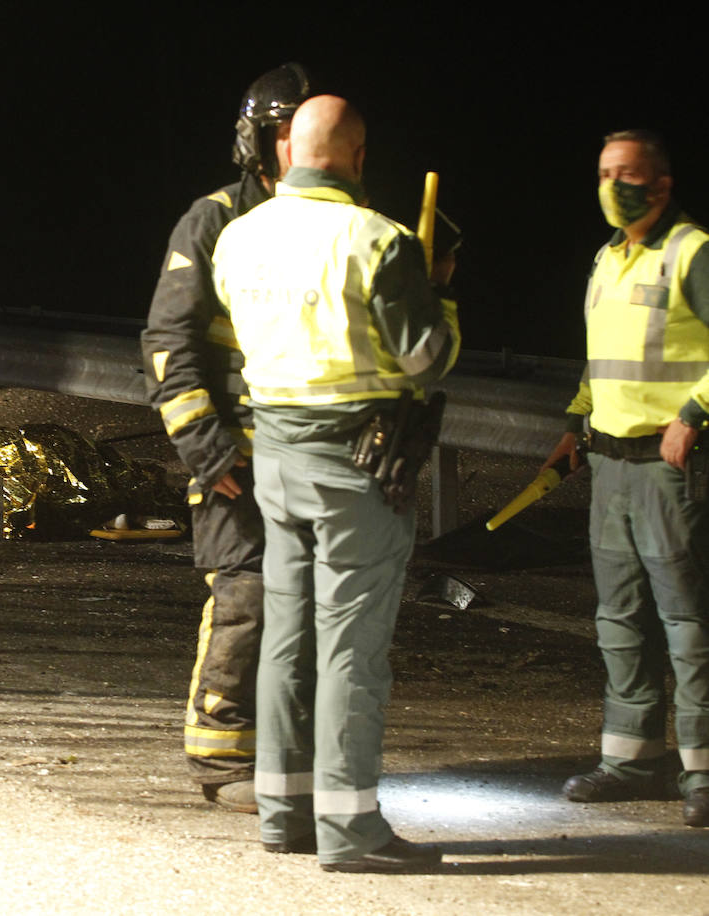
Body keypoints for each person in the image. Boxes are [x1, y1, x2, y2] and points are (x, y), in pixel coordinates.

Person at [213, 95, 459, 872]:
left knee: (288, 637)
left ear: (291, 154)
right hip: (358, 461)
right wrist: (441, 292)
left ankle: (284, 813)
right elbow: (424, 358)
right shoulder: (378, 239)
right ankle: (352, 826)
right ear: (354, 156)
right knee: (352, 644)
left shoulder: (237, 237)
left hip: (277, 457)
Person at [139, 62, 311, 816]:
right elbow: (167, 343)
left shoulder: (331, 221)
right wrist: (207, 449)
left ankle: (290, 756)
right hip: (237, 456)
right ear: (258, 139)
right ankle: (221, 754)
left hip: (312, 450)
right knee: (246, 594)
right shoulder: (212, 220)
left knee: (308, 604)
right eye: (283, 133)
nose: (295, 147)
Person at [545, 129, 709, 829]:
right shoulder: (607, 259)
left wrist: (695, 413)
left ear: (662, 185)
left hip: (670, 468)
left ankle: (700, 769)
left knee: (687, 622)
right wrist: (575, 425)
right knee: (618, 621)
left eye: (629, 174)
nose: (614, 186)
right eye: (606, 173)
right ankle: (633, 761)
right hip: (610, 463)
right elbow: (601, 358)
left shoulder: (691, 252)